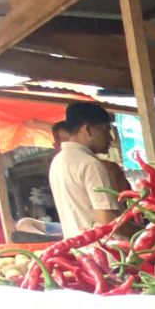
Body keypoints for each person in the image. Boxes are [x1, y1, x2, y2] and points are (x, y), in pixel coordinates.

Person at [49, 102, 119, 237]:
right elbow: (108, 223)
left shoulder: (57, 161)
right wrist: (144, 231)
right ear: (88, 129)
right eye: (106, 131)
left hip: (77, 246)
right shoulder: (90, 164)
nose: (110, 138)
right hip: (104, 247)